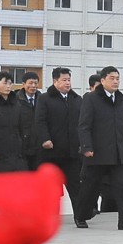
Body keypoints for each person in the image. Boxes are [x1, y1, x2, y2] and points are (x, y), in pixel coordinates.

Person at [75, 66, 123, 231]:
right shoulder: (91, 98)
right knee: (90, 188)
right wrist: (86, 147)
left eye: (117, 78)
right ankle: (81, 216)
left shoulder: (121, 99)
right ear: (102, 81)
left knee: (122, 187)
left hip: (118, 154)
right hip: (96, 153)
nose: (115, 81)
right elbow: (84, 126)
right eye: (111, 78)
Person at [35, 67, 83, 218]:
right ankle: (51, 216)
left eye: (69, 80)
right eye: (64, 80)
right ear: (55, 81)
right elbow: (40, 121)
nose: (67, 83)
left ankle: (80, 216)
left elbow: (83, 123)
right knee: (52, 188)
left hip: (72, 152)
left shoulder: (77, 99)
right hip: (52, 152)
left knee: (75, 186)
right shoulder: (44, 98)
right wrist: (45, 139)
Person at [15, 71, 41, 171]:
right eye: (30, 83)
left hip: (38, 145)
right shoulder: (16, 100)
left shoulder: (42, 99)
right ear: (23, 84)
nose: (33, 86)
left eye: (35, 83)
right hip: (21, 145)